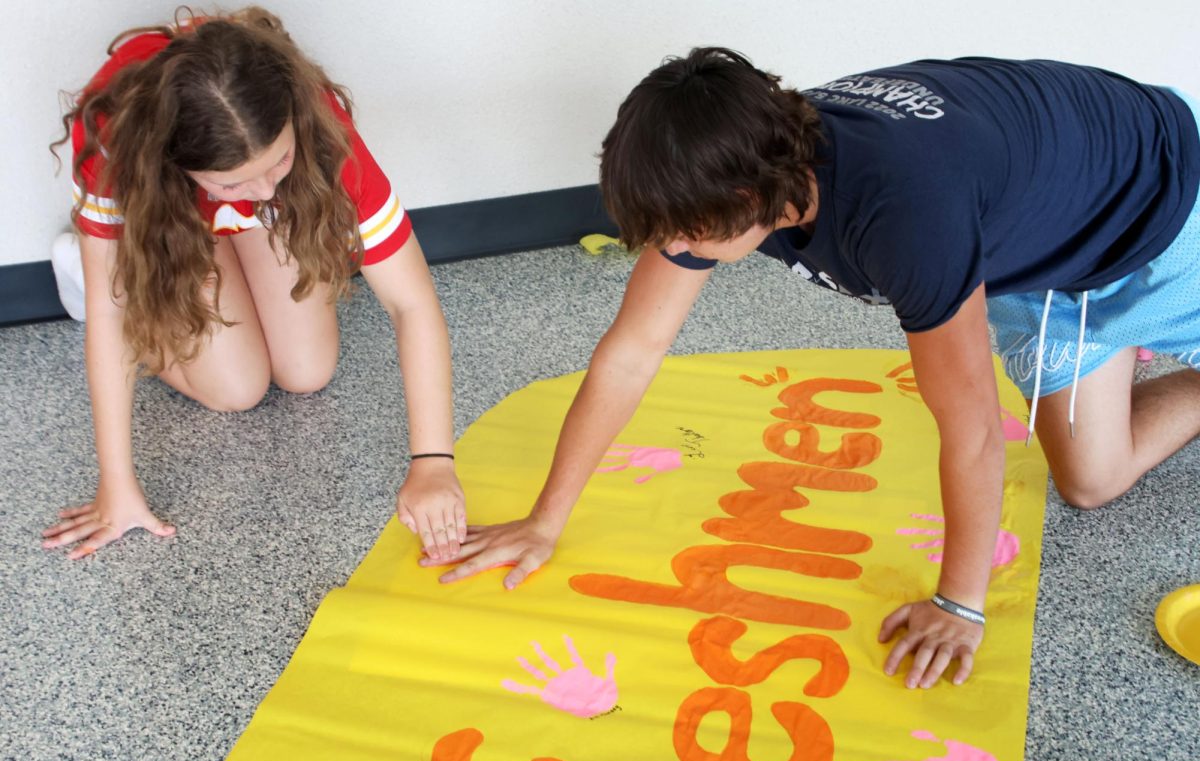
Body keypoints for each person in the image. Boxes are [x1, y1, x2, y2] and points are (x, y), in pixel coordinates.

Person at [423, 49, 1200, 689]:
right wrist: (545, 519)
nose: (673, 248)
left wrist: (960, 605)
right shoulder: (743, 163)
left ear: (746, 195)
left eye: (684, 231)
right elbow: (631, 354)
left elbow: (969, 427)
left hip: (1160, 204)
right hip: (1035, 255)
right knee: (1091, 479)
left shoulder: (907, 213)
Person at [43, 7, 467, 562]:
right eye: (234, 181)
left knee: (307, 371)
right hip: (172, 224)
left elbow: (411, 302)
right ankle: (85, 259)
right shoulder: (117, 147)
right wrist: (117, 483)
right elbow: (110, 313)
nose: (265, 190)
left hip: (225, 199)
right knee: (235, 390)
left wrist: (433, 461)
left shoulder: (319, 125)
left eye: (279, 160)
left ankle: (237, 214)